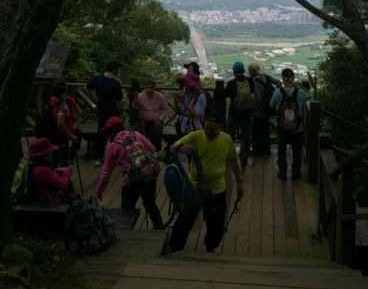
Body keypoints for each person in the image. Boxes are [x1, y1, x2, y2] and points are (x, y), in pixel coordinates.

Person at [167, 115, 243, 253]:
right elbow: (173, 147)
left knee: (216, 224)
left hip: (217, 189)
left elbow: (233, 161)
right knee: (185, 219)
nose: (208, 132)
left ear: (220, 128)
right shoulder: (196, 136)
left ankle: (210, 247)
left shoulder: (227, 140)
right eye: (206, 128)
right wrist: (180, 149)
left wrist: (239, 182)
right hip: (195, 188)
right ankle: (175, 247)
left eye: (212, 130)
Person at [95, 116, 163, 230]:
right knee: (151, 206)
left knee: (127, 210)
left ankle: (125, 235)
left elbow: (106, 172)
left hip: (130, 181)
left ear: (110, 132)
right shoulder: (136, 134)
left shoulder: (112, 146)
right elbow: (152, 149)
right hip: (148, 175)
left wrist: (99, 191)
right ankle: (160, 231)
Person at [270, 68, 311, 181]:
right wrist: (300, 86)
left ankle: (283, 172)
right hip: (297, 127)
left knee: (281, 149)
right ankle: (295, 173)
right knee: (297, 151)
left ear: (282, 80)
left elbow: (271, 105)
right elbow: (310, 96)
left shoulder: (278, 91)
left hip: (282, 126)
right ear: (293, 79)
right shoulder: (300, 93)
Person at [85, 60, 124, 166]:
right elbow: (118, 101)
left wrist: (94, 102)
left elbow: (86, 89)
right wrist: (122, 114)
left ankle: (98, 157)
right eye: (118, 69)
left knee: (101, 132)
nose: (118, 71)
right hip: (113, 111)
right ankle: (115, 157)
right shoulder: (116, 83)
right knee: (116, 134)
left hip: (101, 109)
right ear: (114, 69)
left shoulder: (98, 78)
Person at [224, 61, 254, 168]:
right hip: (247, 113)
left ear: (234, 71)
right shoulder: (250, 81)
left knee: (229, 135)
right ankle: (244, 158)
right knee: (246, 136)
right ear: (243, 71)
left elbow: (225, 94)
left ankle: (230, 157)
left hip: (234, 113)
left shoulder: (232, 83)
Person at [28, 137, 75, 205]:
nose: (51, 154)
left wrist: (57, 170)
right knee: (71, 196)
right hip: (48, 201)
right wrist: (66, 172)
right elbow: (61, 184)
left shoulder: (34, 166)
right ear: (44, 155)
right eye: (49, 152)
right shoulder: (44, 170)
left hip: (37, 199)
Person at [248, 64, 279, 156]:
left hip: (259, 111)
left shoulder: (256, 81)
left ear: (253, 71)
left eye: (250, 71)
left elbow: (257, 98)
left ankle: (257, 151)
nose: (249, 73)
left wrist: (253, 107)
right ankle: (266, 150)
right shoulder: (266, 77)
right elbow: (278, 83)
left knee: (256, 131)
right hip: (267, 109)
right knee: (265, 131)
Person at [49, 82, 81, 167]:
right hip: (63, 134)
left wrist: (76, 124)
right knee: (62, 159)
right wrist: (70, 135)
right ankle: (63, 177)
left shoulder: (52, 99)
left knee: (56, 156)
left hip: (54, 132)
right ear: (63, 92)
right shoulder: (63, 104)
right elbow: (61, 123)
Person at [133, 79, 167, 151]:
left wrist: (160, 119)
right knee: (136, 135)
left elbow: (164, 109)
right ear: (144, 88)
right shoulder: (140, 96)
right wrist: (135, 103)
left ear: (154, 88)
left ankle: (156, 152)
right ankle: (142, 153)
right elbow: (135, 109)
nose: (148, 90)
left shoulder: (159, 96)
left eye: (151, 88)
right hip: (143, 121)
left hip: (156, 121)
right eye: (147, 88)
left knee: (156, 134)